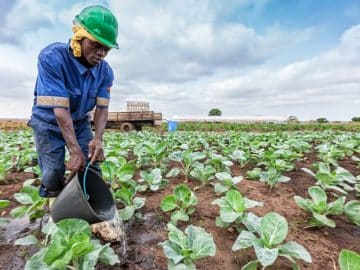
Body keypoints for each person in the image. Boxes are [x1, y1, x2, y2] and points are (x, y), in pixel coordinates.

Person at [28, 5, 118, 198]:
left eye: (106, 48)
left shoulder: (105, 71)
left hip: (78, 122)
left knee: (91, 165)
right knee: (52, 174)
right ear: (79, 38)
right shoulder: (52, 58)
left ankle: (88, 208)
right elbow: (60, 110)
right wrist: (75, 150)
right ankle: (54, 205)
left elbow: (102, 108)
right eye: (95, 44)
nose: (101, 53)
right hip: (48, 123)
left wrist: (98, 139)